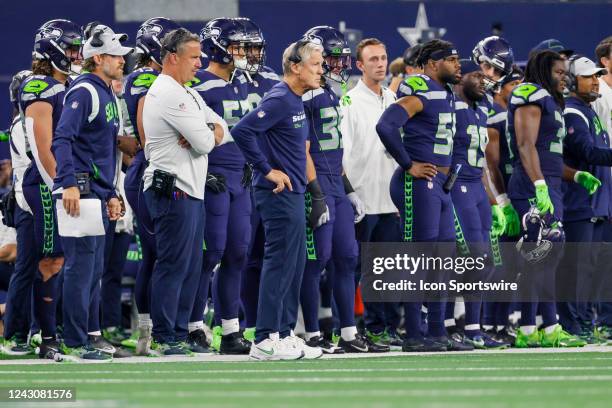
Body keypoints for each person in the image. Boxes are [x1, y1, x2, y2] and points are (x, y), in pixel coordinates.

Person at [232, 39, 324, 360]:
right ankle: (264, 338)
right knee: (280, 263)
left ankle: (284, 334)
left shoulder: (295, 99)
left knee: (294, 265)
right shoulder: (281, 97)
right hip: (278, 193)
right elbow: (242, 131)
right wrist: (266, 170)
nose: (321, 70)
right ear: (295, 67)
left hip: (294, 192)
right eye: (315, 64)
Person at [377, 39, 472, 352]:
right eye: (453, 60)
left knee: (442, 262)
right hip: (417, 184)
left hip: (439, 186)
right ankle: (415, 333)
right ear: (434, 64)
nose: (459, 65)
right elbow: (386, 125)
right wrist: (408, 164)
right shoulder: (421, 88)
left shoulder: (445, 91)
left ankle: (437, 332)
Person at [142, 28, 225, 355]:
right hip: (173, 188)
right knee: (173, 264)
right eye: (194, 57)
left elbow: (221, 128)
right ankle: (165, 336)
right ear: (173, 57)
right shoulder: (170, 93)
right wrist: (206, 134)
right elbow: (206, 142)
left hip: (189, 190)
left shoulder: (186, 92)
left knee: (189, 265)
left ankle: (176, 332)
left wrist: (207, 130)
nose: (200, 63)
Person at [52, 24, 131, 362]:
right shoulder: (84, 91)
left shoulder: (105, 92)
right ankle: (73, 338)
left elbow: (101, 151)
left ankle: (91, 333)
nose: (122, 61)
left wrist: (111, 192)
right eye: (116, 56)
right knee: (81, 268)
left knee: (93, 268)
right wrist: (69, 182)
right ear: (98, 58)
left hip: (94, 191)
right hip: (79, 191)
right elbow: (62, 139)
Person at [506, 50, 592, 348]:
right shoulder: (531, 93)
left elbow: (549, 154)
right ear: (543, 71)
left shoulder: (550, 99)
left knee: (540, 258)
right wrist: (539, 184)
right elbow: (525, 144)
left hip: (549, 183)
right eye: (558, 72)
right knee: (543, 255)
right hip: (533, 185)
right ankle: (548, 326)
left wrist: (575, 175)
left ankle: (530, 328)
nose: (564, 77)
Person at [189, 17, 264, 355]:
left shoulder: (250, 83)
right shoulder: (196, 84)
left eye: (250, 46)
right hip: (211, 175)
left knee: (238, 252)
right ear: (217, 47)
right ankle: (191, 324)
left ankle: (230, 329)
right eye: (240, 46)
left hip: (243, 178)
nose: (247, 53)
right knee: (209, 253)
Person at [298, 26, 371, 354]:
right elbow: (303, 150)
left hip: (336, 185)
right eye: (333, 58)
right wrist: (316, 192)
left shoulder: (332, 94)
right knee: (316, 262)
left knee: (347, 258)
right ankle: (310, 332)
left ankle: (348, 331)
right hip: (316, 184)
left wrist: (348, 189)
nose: (339, 64)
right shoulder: (308, 95)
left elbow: (334, 151)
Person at [18, 20, 83, 360]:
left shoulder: (69, 85)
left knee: (68, 259)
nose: (76, 55)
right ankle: (47, 338)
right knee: (51, 260)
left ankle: (58, 333)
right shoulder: (40, 87)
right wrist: (60, 187)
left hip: (64, 181)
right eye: (71, 49)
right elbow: (43, 147)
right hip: (47, 182)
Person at [123, 16, 181, 356]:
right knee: (160, 255)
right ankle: (155, 331)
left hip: (152, 167)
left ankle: (154, 328)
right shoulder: (146, 78)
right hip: (152, 168)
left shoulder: (154, 77)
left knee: (160, 256)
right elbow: (148, 130)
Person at [445, 60, 509, 349]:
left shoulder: (483, 107)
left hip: (476, 187)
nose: (484, 82)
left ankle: (473, 326)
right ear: (461, 79)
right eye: (477, 76)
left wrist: (493, 199)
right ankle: (445, 324)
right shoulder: (450, 106)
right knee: (464, 258)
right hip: (456, 186)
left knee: (484, 261)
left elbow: (482, 159)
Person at [339, 38, 397, 352]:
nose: (380, 63)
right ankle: (363, 328)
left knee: (388, 268)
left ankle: (385, 326)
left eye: (383, 57)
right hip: (362, 199)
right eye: (373, 59)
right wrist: (350, 192)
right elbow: (341, 155)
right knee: (361, 268)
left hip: (391, 199)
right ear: (360, 65)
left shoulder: (393, 97)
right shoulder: (349, 103)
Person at [558, 55, 612, 339]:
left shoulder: (589, 111)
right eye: (588, 76)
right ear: (570, 80)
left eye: (596, 76)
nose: (595, 81)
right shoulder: (573, 112)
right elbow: (587, 153)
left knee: (588, 268)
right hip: (577, 201)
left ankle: (583, 323)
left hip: (593, 202)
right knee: (575, 267)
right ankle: (572, 325)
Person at [0, 70, 38, 356]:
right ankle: (15, 333)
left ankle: (36, 329)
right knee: (26, 267)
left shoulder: (26, 120)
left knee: (39, 268)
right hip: (29, 202)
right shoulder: (22, 124)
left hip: (31, 198)